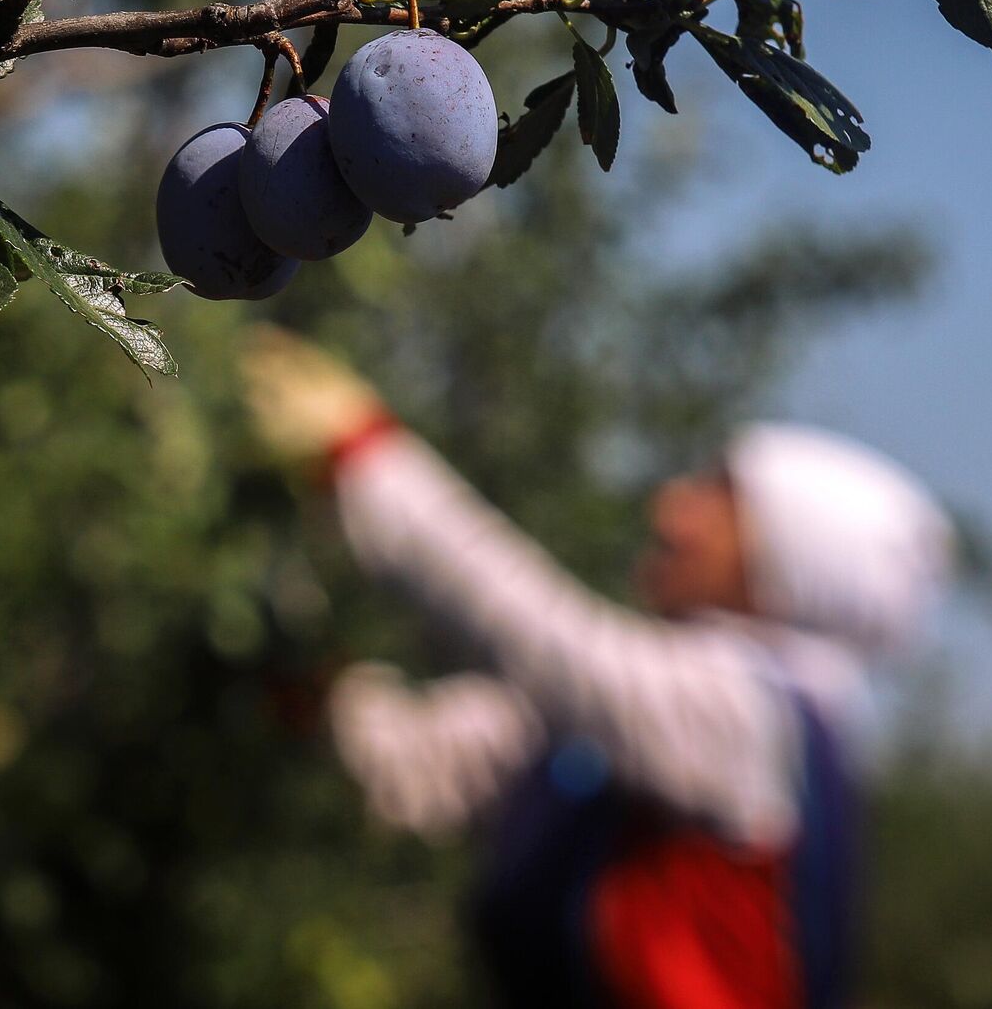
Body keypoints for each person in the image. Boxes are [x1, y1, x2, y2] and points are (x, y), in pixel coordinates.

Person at [239, 327, 955, 1009]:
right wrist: (297, 671)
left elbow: (553, 641)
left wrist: (369, 458)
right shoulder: (623, 738)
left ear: (789, 565)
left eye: (719, 495)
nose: (672, 509)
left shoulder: (749, 714)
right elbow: (421, 764)